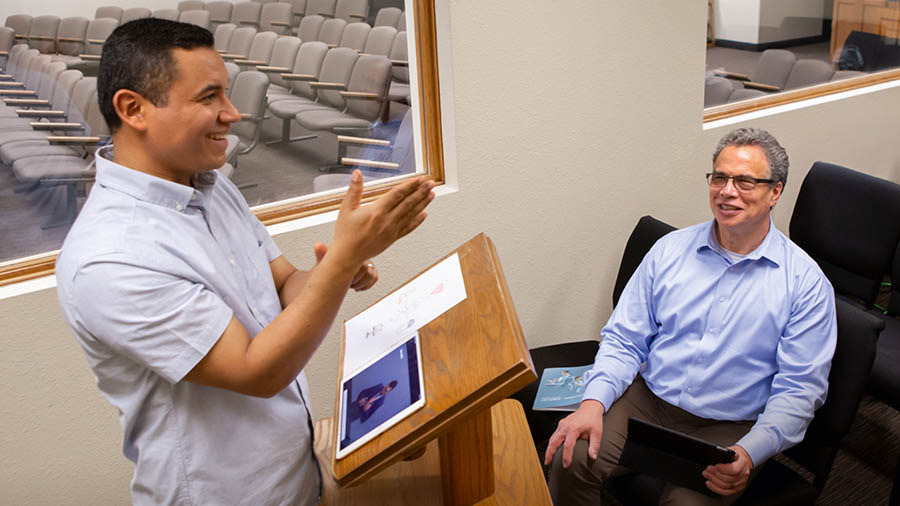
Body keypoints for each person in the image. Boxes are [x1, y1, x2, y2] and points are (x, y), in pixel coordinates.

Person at [55, 18, 434, 506]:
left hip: (295, 477)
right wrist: (340, 265)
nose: (232, 114)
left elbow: (281, 289)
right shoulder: (111, 258)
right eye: (209, 97)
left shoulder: (211, 186)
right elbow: (257, 371)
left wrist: (333, 270)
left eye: (227, 94)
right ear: (134, 109)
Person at [544, 127, 837, 505]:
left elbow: (799, 391)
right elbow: (624, 340)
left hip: (729, 425)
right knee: (572, 455)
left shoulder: (806, 284)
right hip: (648, 401)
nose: (727, 191)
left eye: (746, 181)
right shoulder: (670, 251)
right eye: (720, 177)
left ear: (775, 191)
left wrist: (748, 453)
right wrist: (592, 403)